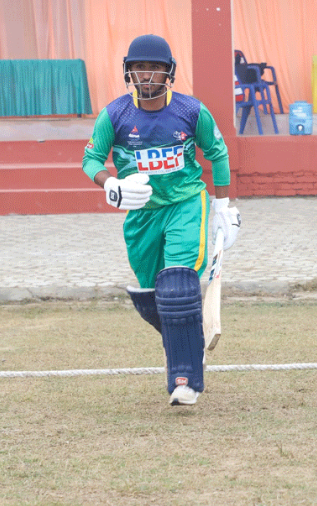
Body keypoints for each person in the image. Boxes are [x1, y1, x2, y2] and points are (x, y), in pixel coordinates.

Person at [82, 34, 241, 407]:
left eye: (155, 67)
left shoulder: (190, 110)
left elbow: (217, 153)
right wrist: (112, 185)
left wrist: (222, 208)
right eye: (140, 67)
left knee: (178, 284)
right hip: (141, 217)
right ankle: (189, 341)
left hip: (186, 203)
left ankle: (185, 378)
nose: (147, 74)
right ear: (129, 72)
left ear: (169, 72)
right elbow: (90, 160)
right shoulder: (115, 114)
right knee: (153, 296)